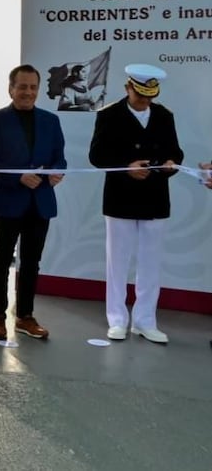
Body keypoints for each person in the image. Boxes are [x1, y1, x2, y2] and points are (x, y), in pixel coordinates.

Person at [88, 63, 182, 344]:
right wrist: (125, 166)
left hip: (155, 198)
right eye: (140, 95)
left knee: (151, 263)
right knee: (117, 262)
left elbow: (175, 151)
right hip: (121, 198)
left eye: (149, 96)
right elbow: (96, 155)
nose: (145, 102)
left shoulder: (164, 116)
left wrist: (170, 165)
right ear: (128, 88)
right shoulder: (109, 116)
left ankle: (145, 320)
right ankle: (117, 319)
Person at [0, 65, 66, 341]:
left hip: (40, 202)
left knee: (32, 262)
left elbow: (59, 158)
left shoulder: (51, 121)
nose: (28, 92)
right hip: (8, 201)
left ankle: (25, 317)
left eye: (33, 87)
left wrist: (57, 172)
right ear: (11, 88)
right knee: (1, 260)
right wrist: (19, 177)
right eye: (23, 87)